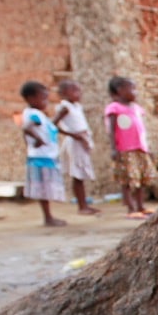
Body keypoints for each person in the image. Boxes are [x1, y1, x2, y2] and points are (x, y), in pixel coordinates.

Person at [19, 81, 68, 227]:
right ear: (31, 99)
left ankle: (49, 216)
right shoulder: (34, 114)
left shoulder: (37, 114)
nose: (46, 102)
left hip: (43, 155)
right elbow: (26, 128)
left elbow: (49, 128)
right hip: (42, 157)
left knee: (45, 188)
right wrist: (38, 139)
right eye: (43, 98)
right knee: (45, 188)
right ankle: (48, 217)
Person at [104, 76, 154, 219]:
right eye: (132, 89)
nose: (135, 92)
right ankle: (131, 207)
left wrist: (148, 148)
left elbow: (141, 129)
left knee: (141, 178)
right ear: (119, 91)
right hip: (125, 149)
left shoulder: (136, 108)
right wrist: (114, 148)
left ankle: (140, 205)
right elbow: (112, 130)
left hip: (140, 148)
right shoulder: (114, 108)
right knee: (127, 179)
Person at [54, 79, 101, 215]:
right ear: (63, 94)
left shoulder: (76, 106)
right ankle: (82, 206)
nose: (78, 93)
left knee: (81, 175)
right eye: (74, 90)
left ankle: (84, 204)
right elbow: (54, 124)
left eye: (79, 90)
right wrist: (74, 135)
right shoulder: (65, 107)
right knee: (77, 175)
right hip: (75, 142)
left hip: (81, 141)